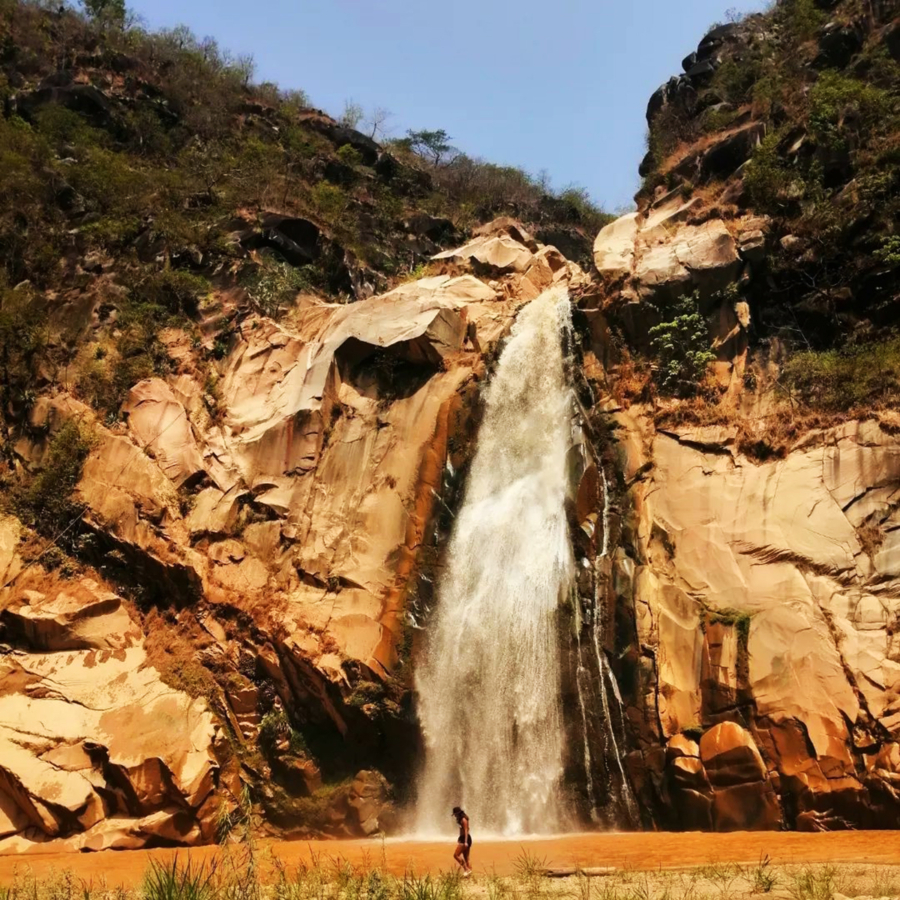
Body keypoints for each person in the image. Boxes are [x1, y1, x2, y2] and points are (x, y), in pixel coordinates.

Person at [452, 806, 472, 876]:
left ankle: (466, 869)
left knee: (456, 855)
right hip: (463, 838)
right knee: (466, 858)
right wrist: (459, 838)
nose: (454, 816)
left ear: (458, 813)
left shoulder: (464, 820)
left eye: (455, 814)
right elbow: (462, 831)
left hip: (465, 839)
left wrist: (465, 842)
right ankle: (469, 875)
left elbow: (466, 831)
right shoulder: (461, 819)